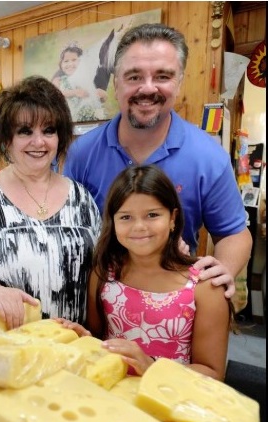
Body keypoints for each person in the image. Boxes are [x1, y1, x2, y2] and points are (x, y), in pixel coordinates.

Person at [63, 23, 252, 299]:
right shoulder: (82, 153)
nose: (147, 88)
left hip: (173, 314)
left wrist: (222, 270)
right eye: (134, 76)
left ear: (179, 82)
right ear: (116, 83)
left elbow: (234, 233)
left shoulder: (208, 157)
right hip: (96, 310)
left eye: (163, 76)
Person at [0, 75, 101, 330]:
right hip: (6, 350)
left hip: (72, 347)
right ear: (8, 139)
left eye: (48, 130)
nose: (38, 142)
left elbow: (104, 269)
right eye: (25, 131)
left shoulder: (81, 198)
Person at [58, 164, 231, 381]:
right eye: (126, 217)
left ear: (172, 218)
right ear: (112, 221)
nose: (139, 226)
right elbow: (101, 339)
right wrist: (82, 338)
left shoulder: (204, 286)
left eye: (152, 215)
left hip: (171, 402)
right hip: (112, 398)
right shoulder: (104, 274)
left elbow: (213, 374)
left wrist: (150, 367)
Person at [52, 42, 106, 122]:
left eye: (74, 60)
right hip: (68, 120)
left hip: (90, 119)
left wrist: (102, 95)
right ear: (61, 64)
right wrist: (75, 92)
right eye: (66, 61)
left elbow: (101, 99)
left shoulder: (87, 79)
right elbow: (54, 95)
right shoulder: (58, 80)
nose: (70, 64)